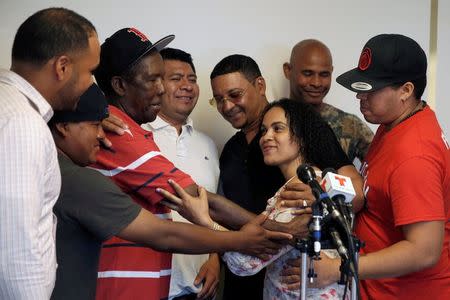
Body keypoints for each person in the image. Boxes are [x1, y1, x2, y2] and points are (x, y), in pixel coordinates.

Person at [93, 28, 295, 300]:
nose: (162, 88)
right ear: (119, 86)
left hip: (187, 286)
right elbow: (194, 203)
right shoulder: (117, 133)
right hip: (125, 289)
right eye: (156, 79)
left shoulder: (193, 142)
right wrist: (271, 232)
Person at [50, 83, 291, 300]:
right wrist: (255, 237)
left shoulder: (315, 189)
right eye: (95, 124)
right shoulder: (81, 176)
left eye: (278, 129)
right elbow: (163, 234)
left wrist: (329, 266)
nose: (267, 137)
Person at [209, 54, 364, 299]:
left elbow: (355, 191)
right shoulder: (230, 150)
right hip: (251, 281)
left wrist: (322, 197)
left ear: (260, 85)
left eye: (235, 95)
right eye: (219, 100)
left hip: (297, 279)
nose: (227, 106)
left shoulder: (307, 131)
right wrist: (213, 255)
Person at [310, 34, 450, 299]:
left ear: (406, 91)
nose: (360, 97)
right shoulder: (396, 123)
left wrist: (340, 266)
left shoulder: (415, 155)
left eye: (370, 89)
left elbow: (425, 250)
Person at [0, 7, 99, 299]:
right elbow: (16, 248)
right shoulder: (21, 124)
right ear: (62, 67)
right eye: (90, 72)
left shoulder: (11, 107)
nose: (91, 84)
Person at [222, 99, 352, 299]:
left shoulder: (302, 192)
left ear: (301, 137)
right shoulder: (300, 186)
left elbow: (241, 263)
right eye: (264, 131)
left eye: (278, 129)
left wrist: (207, 223)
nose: (267, 137)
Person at [141, 48, 221, 300]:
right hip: (146, 284)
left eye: (192, 79)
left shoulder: (208, 144)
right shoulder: (136, 135)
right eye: (176, 78)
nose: (187, 86)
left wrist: (215, 258)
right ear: (157, 84)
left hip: (197, 288)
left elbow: (211, 211)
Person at [283, 39, 374, 163]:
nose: (316, 83)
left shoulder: (349, 124)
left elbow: (380, 168)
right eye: (308, 73)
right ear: (288, 70)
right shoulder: (272, 122)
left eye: (324, 74)